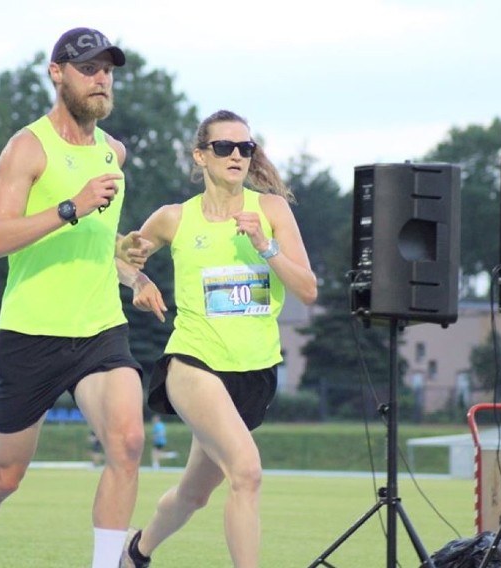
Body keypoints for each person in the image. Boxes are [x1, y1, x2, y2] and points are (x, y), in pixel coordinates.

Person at [0, 27, 166, 568]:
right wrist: (70, 206)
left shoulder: (115, 153)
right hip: (32, 331)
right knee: (4, 477)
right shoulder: (26, 147)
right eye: (88, 68)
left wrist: (135, 278)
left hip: (100, 331)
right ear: (56, 73)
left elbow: (101, 246)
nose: (101, 78)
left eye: (107, 69)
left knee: (129, 443)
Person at [117, 110, 317, 568]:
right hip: (194, 362)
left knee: (194, 493)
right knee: (246, 473)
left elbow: (307, 289)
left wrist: (267, 247)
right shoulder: (173, 218)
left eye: (245, 148)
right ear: (201, 156)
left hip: (255, 371)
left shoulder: (270, 211)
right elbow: (119, 257)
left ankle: (135, 551)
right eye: (224, 147)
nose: (236, 156)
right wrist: (139, 282)